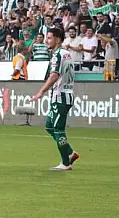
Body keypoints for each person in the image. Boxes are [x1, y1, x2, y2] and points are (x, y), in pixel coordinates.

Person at [29, 28, 80, 171]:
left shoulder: (57, 55)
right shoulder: (66, 53)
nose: (46, 41)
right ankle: (70, 153)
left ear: (57, 40)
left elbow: (54, 75)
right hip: (64, 95)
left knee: (58, 129)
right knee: (49, 126)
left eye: (49, 38)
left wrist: (41, 92)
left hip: (60, 96)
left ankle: (65, 163)